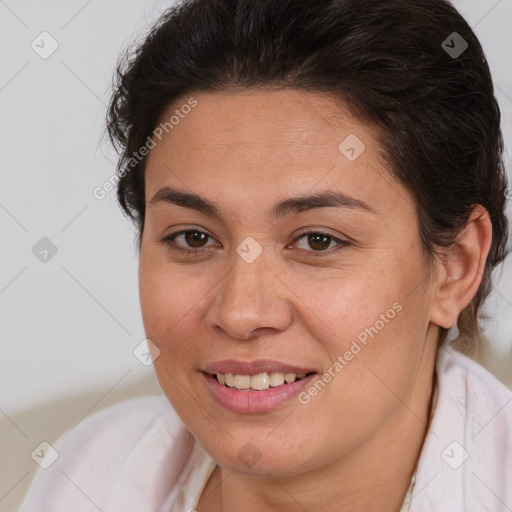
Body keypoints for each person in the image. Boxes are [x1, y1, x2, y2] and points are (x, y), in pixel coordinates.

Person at [19, 0, 511, 511]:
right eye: (193, 238)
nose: (240, 313)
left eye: (318, 240)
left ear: (455, 266)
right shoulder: (91, 474)